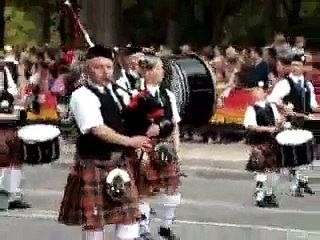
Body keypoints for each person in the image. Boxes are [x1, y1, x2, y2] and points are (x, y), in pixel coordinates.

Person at [58, 45, 151, 240]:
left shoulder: (116, 92)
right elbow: (97, 129)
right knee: (95, 223)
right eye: (98, 67)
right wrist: (130, 141)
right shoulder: (82, 95)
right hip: (94, 162)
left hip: (120, 162)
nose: (105, 71)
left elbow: (128, 120)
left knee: (130, 218)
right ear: (87, 69)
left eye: (108, 67)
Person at [125, 55, 181, 240]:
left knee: (172, 191)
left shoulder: (168, 95)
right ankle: (143, 230)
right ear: (148, 71)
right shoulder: (133, 93)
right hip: (143, 145)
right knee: (143, 191)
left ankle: (165, 227)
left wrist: (176, 149)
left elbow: (174, 124)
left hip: (164, 147)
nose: (163, 71)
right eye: (159, 68)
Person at [268, 54, 318, 196]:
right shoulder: (285, 83)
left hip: (305, 122)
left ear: (303, 67)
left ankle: (302, 182)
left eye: (298, 65)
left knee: (306, 152)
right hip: (291, 123)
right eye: (293, 65)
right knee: (294, 153)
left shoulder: (307, 84)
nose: (296, 68)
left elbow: (312, 105)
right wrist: (283, 107)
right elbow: (272, 99)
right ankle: (294, 185)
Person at [244, 81, 282, 207]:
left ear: (265, 92)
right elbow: (251, 126)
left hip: (272, 142)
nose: (254, 92)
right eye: (254, 90)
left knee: (275, 170)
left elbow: (277, 122)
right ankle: (260, 195)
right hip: (259, 142)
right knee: (261, 170)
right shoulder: (251, 109)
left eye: (258, 90)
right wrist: (267, 129)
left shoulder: (272, 107)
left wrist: (282, 123)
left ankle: (269, 194)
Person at [0, 56, 31, 210]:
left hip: (11, 127)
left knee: (16, 161)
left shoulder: (5, 74)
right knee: (3, 161)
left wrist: (21, 75)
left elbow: (19, 98)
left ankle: (13, 196)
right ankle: (4, 196)